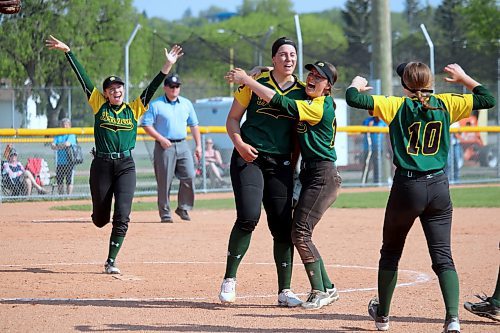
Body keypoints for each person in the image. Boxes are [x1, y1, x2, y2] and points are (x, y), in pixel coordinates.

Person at [346, 62, 495, 333]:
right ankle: (452, 320)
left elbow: (353, 98)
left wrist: (355, 83)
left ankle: (383, 317)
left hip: (407, 187)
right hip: (439, 186)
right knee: (443, 257)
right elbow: (487, 98)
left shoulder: (396, 105)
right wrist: (463, 78)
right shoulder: (447, 103)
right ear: (431, 82)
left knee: (390, 252)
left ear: (404, 85)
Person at [45, 35, 183, 274]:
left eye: (118, 87)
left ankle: (111, 261)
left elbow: (152, 87)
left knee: (123, 215)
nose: (116, 90)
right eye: (111, 89)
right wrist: (68, 51)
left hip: (125, 165)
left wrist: (167, 65)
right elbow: (84, 79)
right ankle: (98, 214)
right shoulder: (99, 104)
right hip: (101, 164)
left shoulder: (134, 108)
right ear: (106, 93)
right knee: (101, 219)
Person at [225, 60, 342, 310]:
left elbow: (280, 101)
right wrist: (265, 70)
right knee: (294, 230)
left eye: (319, 77)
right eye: (311, 73)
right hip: (308, 172)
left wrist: (248, 79)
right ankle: (327, 287)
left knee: (299, 232)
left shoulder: (315, 105)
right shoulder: (308, 98)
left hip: (322, 174)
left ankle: (321, 290)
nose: (312, 78)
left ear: (328, 87)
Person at [218, 37, 308, 307]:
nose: (288, 59)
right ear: (273, 59)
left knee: (282, 227)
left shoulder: (303, 90)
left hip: (281, 163)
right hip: (249, 157)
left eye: (292, 54)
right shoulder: (254, 83)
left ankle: (285, 291)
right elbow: (232, 119)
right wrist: (240, 144)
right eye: (282, 54)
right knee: (248, 216)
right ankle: (229, 279)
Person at [141, 73, 201, 223]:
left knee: (189, 176)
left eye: (177, 86)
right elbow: (146, 125)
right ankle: (165, 213)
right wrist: (160, 138)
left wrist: (198, 145)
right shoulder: (156, 104)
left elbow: (194, 125)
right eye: (172, 86)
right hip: (164, 146)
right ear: (165, 87)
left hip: (183, 144)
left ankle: (183, 207)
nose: (175, 89)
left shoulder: (186, 103)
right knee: (164, 181)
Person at [51, 118, 77, 195]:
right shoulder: (58, 135)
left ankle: (69, 197)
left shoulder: (71, 134)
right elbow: (52, 146)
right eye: (62, 124)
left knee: (69, 181)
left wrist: (58, 146)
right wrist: (61, 145)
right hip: (60, 162)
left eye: (66, 124)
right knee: (59, 181)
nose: (64, 126)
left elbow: (67, 144)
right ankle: (61, 196)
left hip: (69, 162)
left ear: (70, 126)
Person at [361, 115, 387, 184]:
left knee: (377, 166)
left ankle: (376, 183)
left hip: (379, 148)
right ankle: (363, 183)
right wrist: (369, 127)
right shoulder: (368, 121)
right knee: (367, 166)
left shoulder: (382, 122)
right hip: (368, 148)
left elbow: (387, 134)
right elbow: (361, 132)